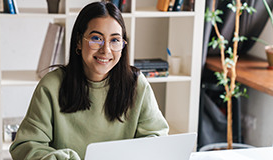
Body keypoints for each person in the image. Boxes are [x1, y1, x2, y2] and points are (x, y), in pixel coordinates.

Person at [9, 1, 169, 160]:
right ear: (79, 41)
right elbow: (25, 146)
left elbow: (157, 137)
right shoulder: (52, 86)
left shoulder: (137, 85)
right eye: (96, 38)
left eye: (115, 40)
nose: (105, 50)